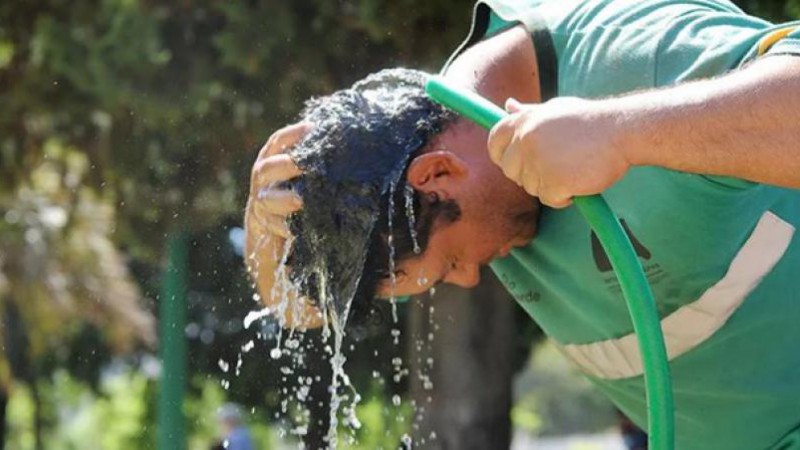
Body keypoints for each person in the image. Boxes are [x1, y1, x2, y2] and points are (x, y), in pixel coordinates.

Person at [244, 0, 800, 449]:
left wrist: (621, 132)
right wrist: (264, 221)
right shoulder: (443, 191)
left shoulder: (626, 49)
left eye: (452, 262)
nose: (469, 279)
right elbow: (299, 310)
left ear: (438, 173)